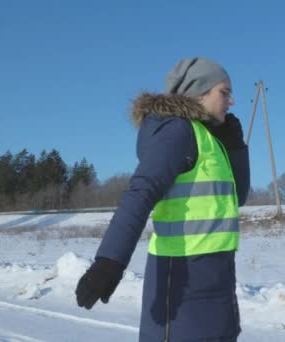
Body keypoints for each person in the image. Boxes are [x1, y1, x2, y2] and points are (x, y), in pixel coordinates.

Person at [75, 57, 250, 341]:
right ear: (200, 92)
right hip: (181, 278)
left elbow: (237, 196)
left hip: (217, 275)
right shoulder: (177, 132)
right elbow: (140, 193)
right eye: (225, 92)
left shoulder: (208, 139)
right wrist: (109, 261)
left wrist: (235, 146)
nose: (231, 102)